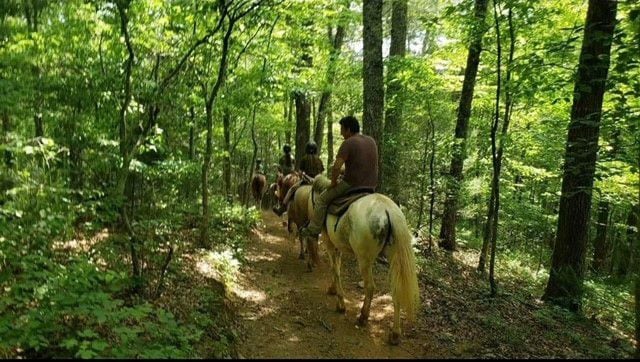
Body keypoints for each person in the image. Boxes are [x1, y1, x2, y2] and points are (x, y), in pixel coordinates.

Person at [299, 115, 378, 238]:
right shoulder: (371, 141)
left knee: (321, 200)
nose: (341, 134)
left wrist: (333, 182)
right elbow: (361, 165)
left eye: (342, 130)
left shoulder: (348, 143)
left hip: (351, 185)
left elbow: (336, 167)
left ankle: (314, 229)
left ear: (348, 129)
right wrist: (344, 171)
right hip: (371, 185)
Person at [273, 141, 324, 216]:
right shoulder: (319, 160)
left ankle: (282, 208)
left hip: (306, 181)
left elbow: (300, 172)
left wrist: (301, 176)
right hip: (317, 182)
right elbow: (321, 173)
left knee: (291, 190)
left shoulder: (304, 158)